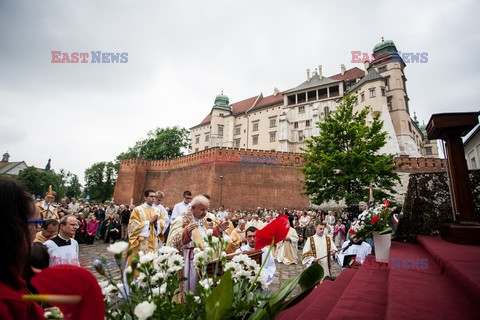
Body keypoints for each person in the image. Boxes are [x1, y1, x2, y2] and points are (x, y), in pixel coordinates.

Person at [0, 179, 45, 319]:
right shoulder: (7, 301)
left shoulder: (10, 273)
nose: (38, 230)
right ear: (18, 226)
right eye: (37, 223)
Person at [166, 195, 229, 292]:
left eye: (206, 210)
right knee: (188, 288)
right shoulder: (181, 220)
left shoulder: (202, 221)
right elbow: (172, 241)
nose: (205, 213)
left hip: (201, 259)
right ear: (192, 208)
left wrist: (217, 231)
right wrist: (185, 232)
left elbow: (205, 237)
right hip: (187, 259)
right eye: (202, 209)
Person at [127, 190, 165, 263]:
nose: (153, 198)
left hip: (153, 241)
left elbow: (162, 223)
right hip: (141, 242)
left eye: (154, 196)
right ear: (145, 197)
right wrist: (149, 222)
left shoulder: (157, 210)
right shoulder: (137, 210)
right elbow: (133, 225)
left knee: (152, 263)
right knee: (141, 263)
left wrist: (157, 223)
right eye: (151, 196)